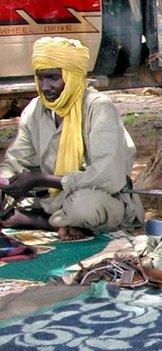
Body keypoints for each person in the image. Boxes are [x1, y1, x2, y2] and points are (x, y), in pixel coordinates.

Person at [0, 37, 144, 240]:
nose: (44, 86)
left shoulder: (98, 107)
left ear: (73, 76)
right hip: (53, 199)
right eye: (40, 78)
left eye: (53, 77)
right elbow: (16, 161)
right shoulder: (35, 109)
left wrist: (42, 179)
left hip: (100, 196)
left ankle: (36, 221)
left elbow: (108, 177)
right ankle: (59, 222)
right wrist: (4, 181)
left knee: (85, 207)